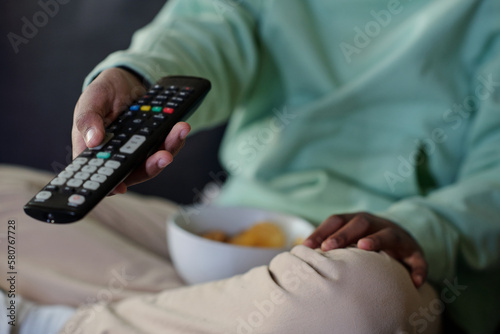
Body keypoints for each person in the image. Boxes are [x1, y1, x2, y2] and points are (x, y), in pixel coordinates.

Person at [1, 0, 499, 333]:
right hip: (229, 235)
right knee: (7, 208)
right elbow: (209, 23)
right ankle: (214, 313)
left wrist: (423, 233)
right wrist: (137, 76)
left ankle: (48, 323)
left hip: (375, 255)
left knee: (363, 300)